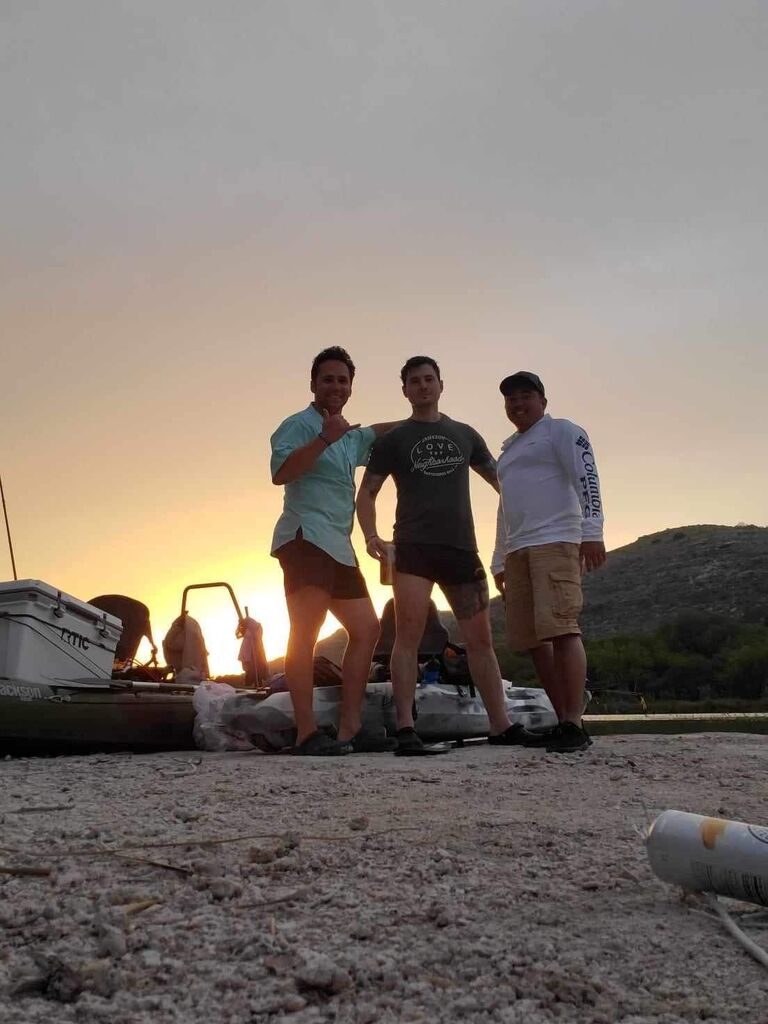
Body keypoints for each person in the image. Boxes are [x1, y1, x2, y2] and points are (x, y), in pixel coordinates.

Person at [356, 356, 520, 754]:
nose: (423, 386)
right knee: (408, 638)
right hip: (413, 549)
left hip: (462, 549)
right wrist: (371, 535)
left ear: (441, 385)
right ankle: (406, 728)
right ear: (405, 390)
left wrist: (527, 526)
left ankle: (501, 725)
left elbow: (504, 482)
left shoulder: (465, 434)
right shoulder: (393, 440)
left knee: (481, 641)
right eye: (415, 381)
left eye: (429, 379)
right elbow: (368, 491)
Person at [270, 346, 399, 755]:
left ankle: (349, 727)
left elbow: (380, 431)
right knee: (304, 635)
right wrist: (325, 437)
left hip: (339, 548)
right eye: (328, 379)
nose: (336, 386)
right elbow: (281, 472)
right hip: (305, 540)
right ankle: (306, 733)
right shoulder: (297, 425)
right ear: (313, 384)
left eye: (343, 380)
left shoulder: (350, 436)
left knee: (367, 629)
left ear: (350, 387)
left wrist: (428, 419)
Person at [490, 371, 606, 753]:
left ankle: (574, 721)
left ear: (542, 399)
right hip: (519, 548)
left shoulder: (561, 431)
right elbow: (505, 507)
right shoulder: (508, 451)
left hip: (555, 539)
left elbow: (586, 476)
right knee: (534, 640)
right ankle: (560, 719)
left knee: (562, 628)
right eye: (511, 399)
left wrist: (592, 531)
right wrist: (499, 559)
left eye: (525, 396)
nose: (518, 404)